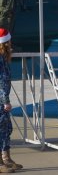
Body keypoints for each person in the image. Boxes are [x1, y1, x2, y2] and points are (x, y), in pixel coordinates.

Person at [0, 28, 23, 173]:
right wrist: (5, 101)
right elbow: (1, 81)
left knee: (6, 129)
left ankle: (6, 158)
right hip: (0, 100)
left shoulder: (3, 57)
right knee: (1, 129)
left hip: (2, 99)